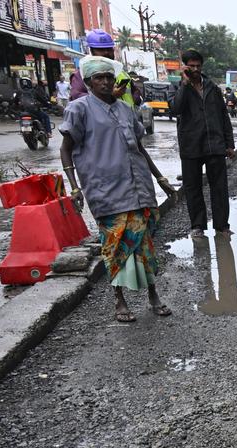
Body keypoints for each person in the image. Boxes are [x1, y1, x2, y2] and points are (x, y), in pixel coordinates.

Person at [59, 57, 177, 322]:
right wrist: (74, 187)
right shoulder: (79, 109)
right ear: (88, 82)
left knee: (145, 244)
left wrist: (160, 179)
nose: (105, 82)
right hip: (105, 191)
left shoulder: (126, 110)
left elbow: (139, 148)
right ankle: (119, 300)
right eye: (98, 78)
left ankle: (153, 295)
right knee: (114, 247)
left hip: (138, 187)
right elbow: (66, 149)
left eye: (108, 77)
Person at [170, 49, 234, 234]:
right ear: (185, 67)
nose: (195, 69)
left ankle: (222, 226)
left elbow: (223, 116)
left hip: (214, 145)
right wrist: (184, 84)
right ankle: (198, 226)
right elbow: (175, 109)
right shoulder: (179, 87)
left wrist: (229, 144)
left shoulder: (212, 88)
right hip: (191, 146)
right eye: (192, 66)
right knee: (193, 187)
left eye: (198, 66)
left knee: (219, 188)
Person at [69, 30, 133, 104]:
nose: (106, 52)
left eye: (109, 49)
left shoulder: (121, 72)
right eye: (101, 49)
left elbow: (135, 96)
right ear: (92, 51)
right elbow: (77, 99)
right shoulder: (81, 74)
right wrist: (110, 96)